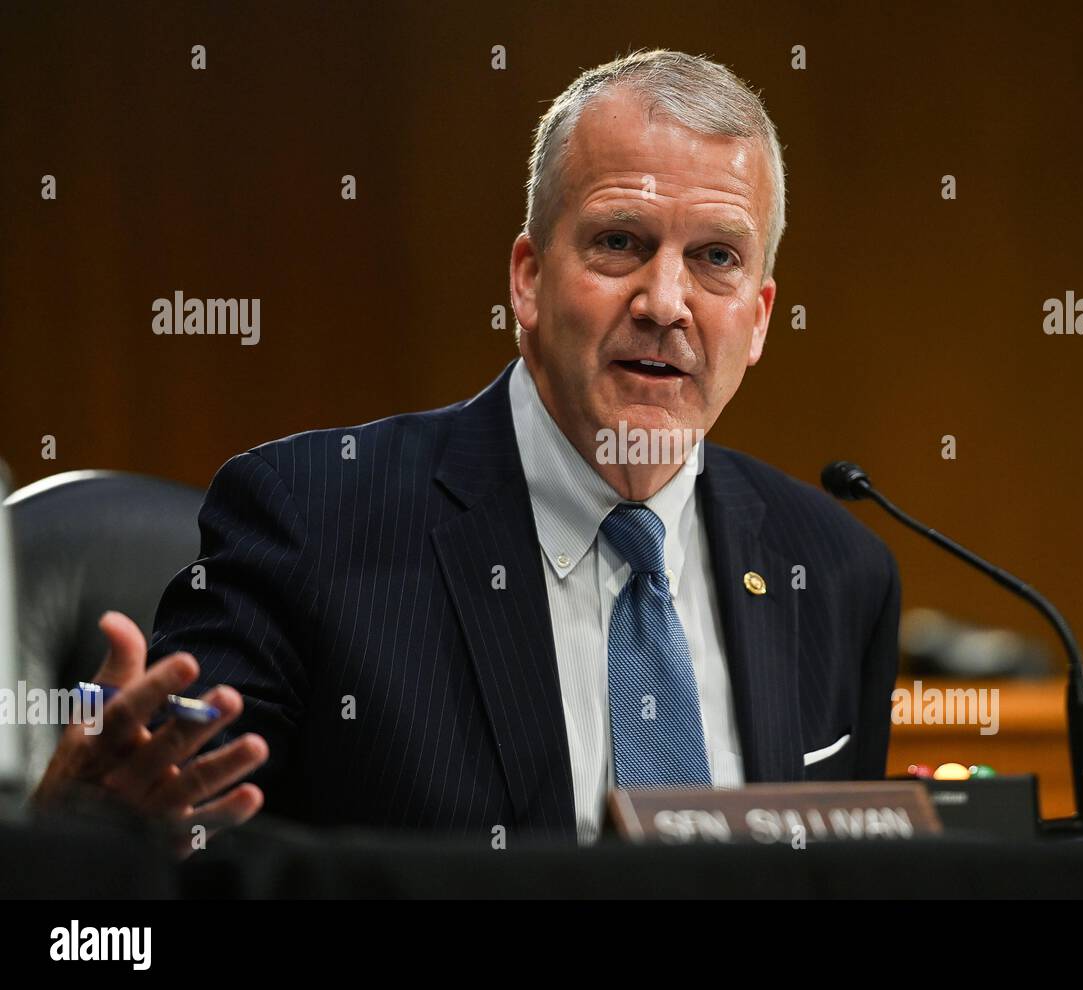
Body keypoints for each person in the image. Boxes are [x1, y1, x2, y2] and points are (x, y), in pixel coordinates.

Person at [32, 49, 900, 847]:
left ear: (756, 319)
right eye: (619, 242)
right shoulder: (310, 522)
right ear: (527, 279)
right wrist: (79, 832)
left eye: (715, 257)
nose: (664, 301)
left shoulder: (834, 572)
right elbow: (177, 843)